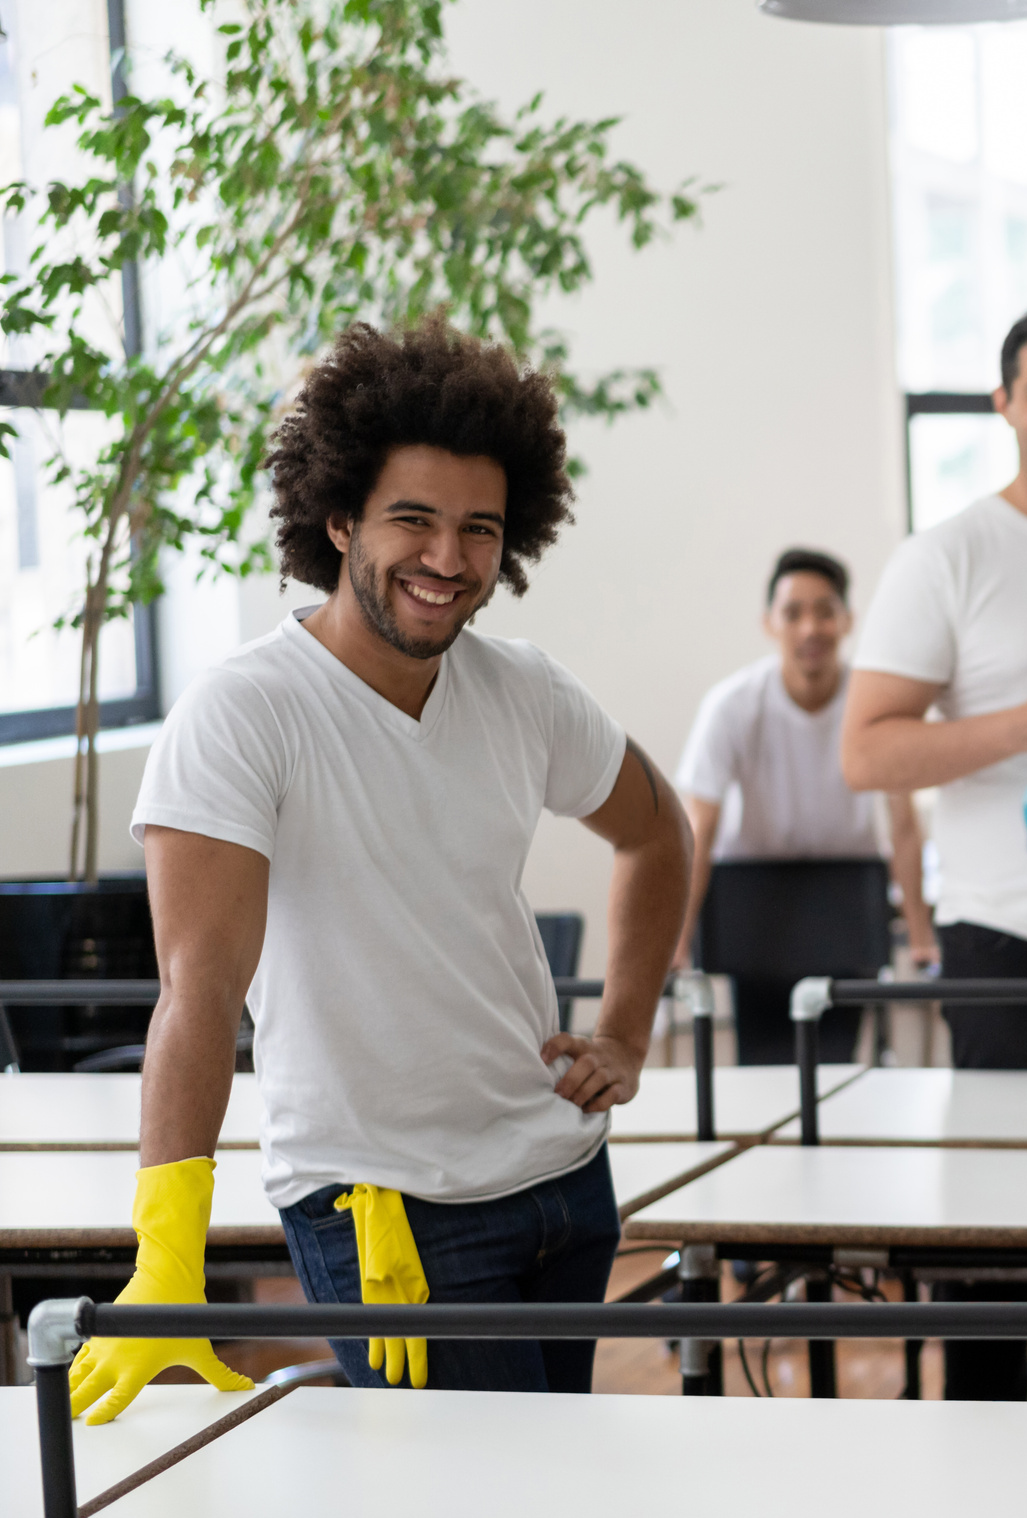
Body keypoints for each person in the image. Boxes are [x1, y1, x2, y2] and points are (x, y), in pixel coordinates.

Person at [70, 319, 691, 1422]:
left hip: (563, 1180)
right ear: (340, 514)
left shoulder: (524, 690)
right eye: (414, 520)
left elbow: (656, 832)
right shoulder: (244, 712)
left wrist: (628, 1033)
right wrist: (168, 1255)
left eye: (479, 530)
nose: (448, 560)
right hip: (392, 1211)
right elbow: (198, 992)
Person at [838, 302, 1027, 1399]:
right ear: (1005, 405)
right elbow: (867, 753)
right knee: (991, 1244)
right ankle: (984, 1495)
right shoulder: (950, 555)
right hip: (1011, 942)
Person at [674, 548, 926, 1063]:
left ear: (847, 621)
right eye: (793, 613)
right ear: (771, 623)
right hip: (753, 901)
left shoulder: (874, 705)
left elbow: (903, 825)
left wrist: (921, 934)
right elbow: (699, 829)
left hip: (846, 897)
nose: (810, 627)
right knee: (760, 1064)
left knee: (836, 1066)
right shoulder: (732, 705)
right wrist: (675, 939)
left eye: (825, 611)